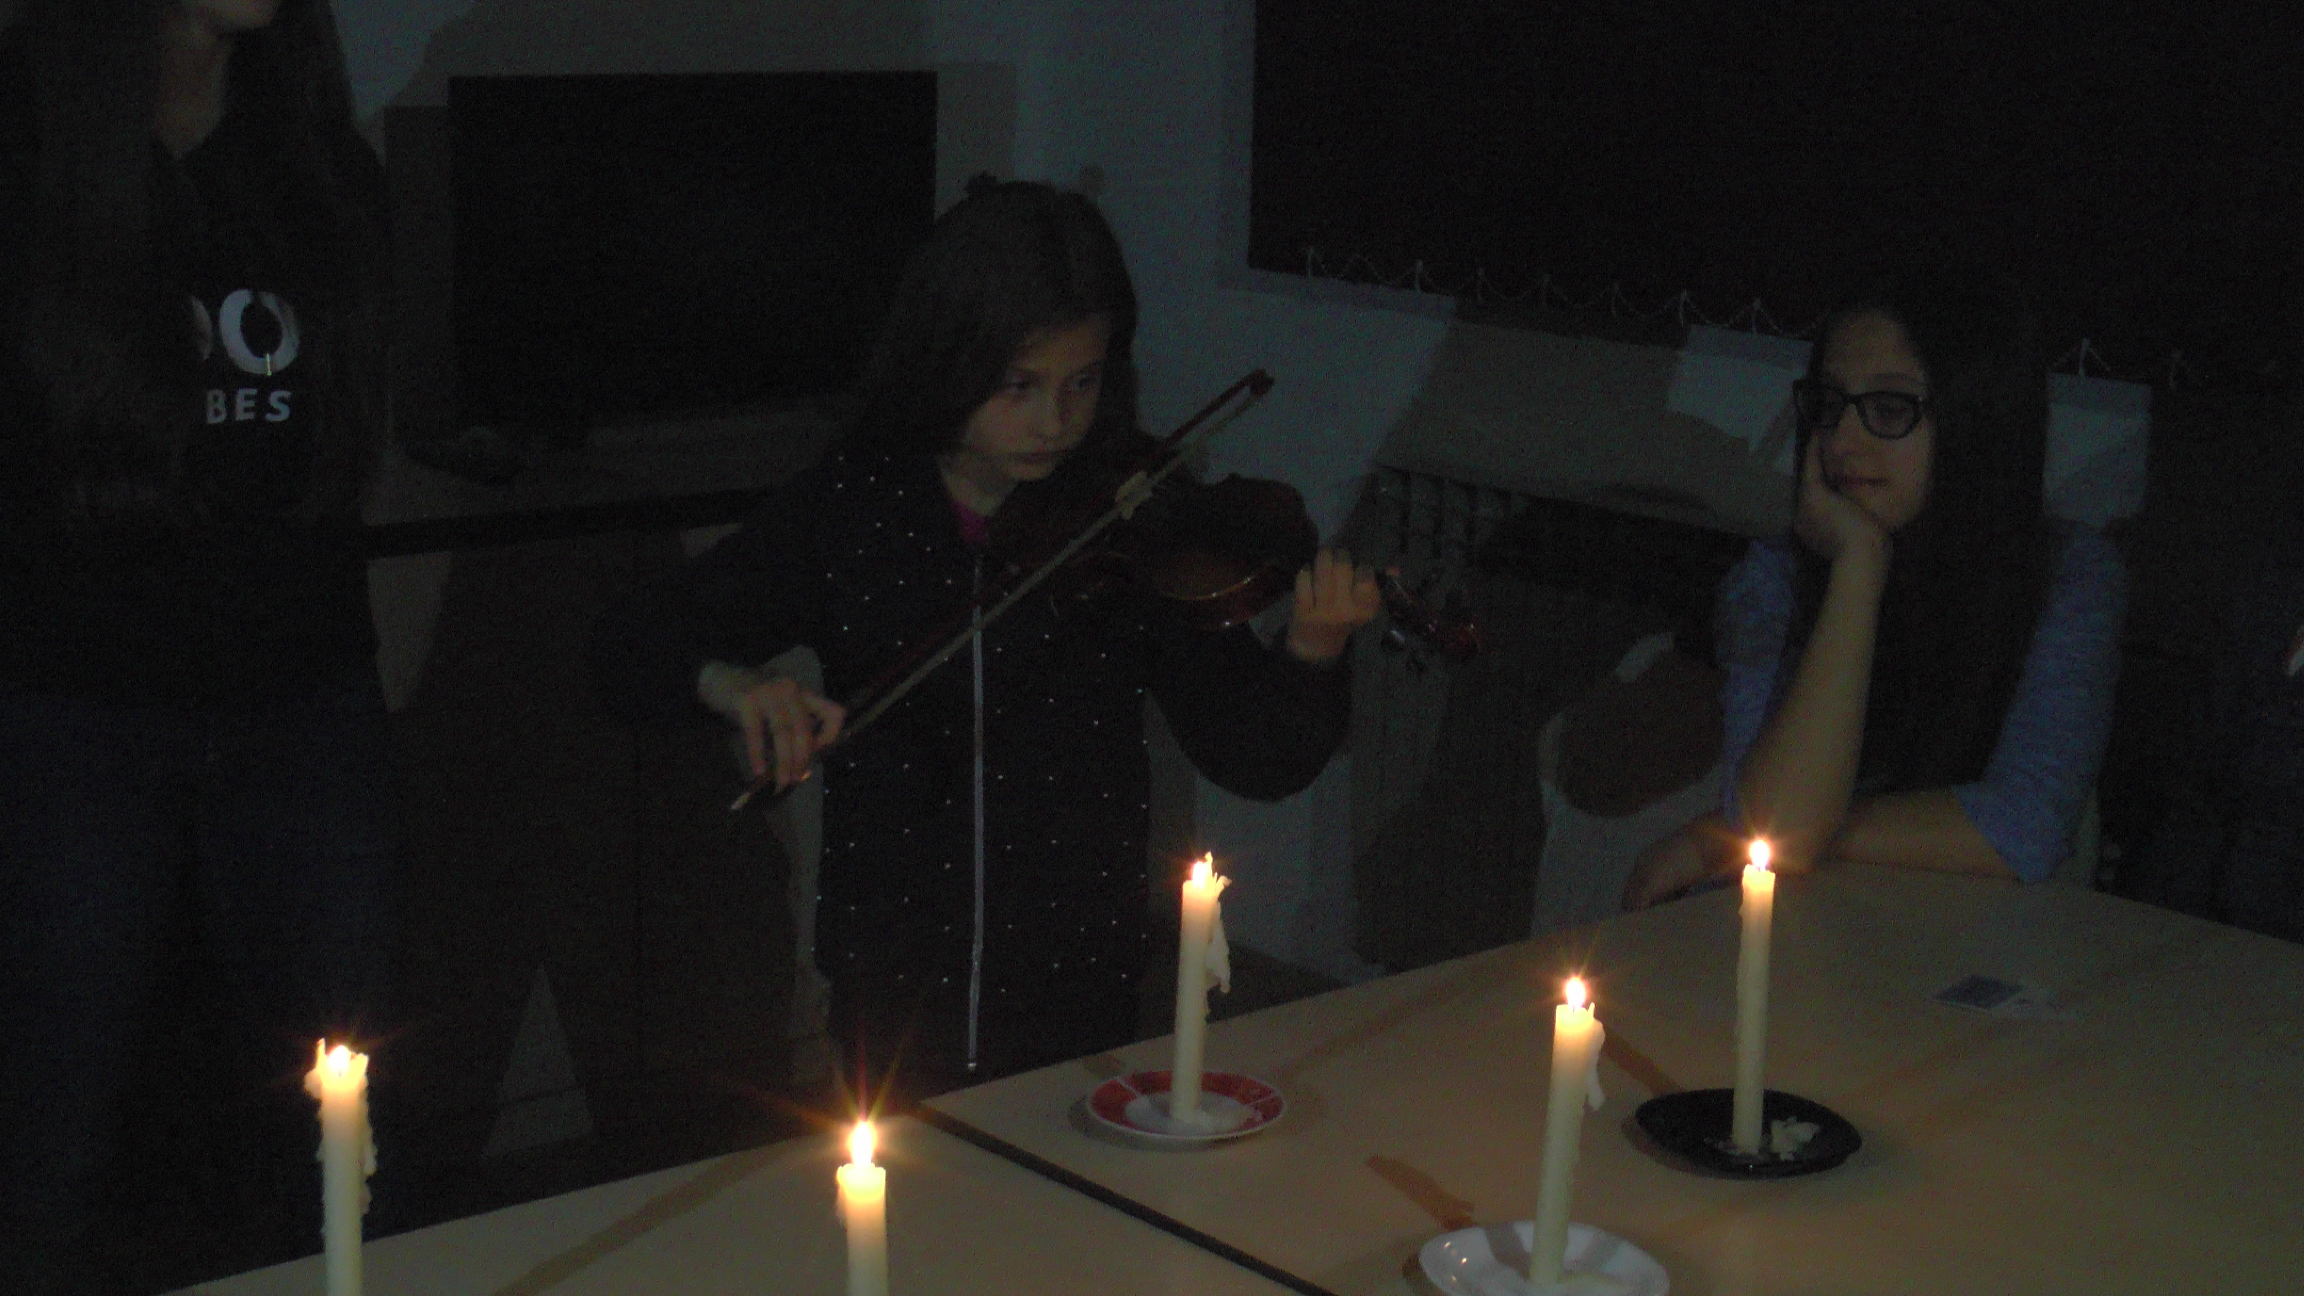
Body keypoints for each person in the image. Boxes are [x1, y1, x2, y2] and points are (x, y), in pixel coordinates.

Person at [589, 179, 1379, 1106]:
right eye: (1019, 386)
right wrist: (730, 683)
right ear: (946, 362)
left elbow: (1252, 754)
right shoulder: (858, 509)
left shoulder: (1128, 519)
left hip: (1079, 984)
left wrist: (1312, 653)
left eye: (1082, 383)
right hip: (893, 986)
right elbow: (631, 646)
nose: (1055, 422)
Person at [0, 1, 395, 1289]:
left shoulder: (314, 158)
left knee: (334, 1113)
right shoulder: (34, 136)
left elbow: (337, 444)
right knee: (56, 1120)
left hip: (302, 696)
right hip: (78, 706)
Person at [1625, 268, 2125, 907]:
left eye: (1889, 409)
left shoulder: (2069, 574)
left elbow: (2024, 827)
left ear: (1975, 421)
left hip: (1971, 935)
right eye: (1829, 405)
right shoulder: (1776, 576)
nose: (1841, 440)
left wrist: (1729, 838)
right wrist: (1857, 569)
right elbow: (1778, 820)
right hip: (1801, 924)